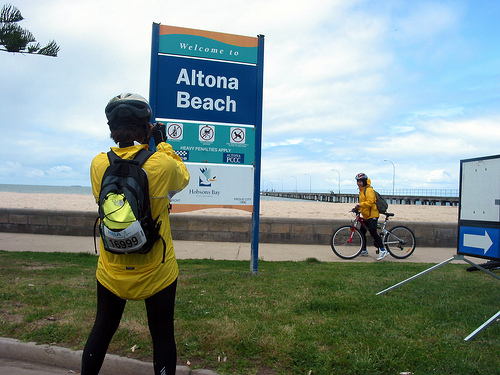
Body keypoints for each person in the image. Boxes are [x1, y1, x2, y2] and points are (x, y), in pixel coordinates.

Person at [81, 93, 190, 375]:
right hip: (156, 269)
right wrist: (162, 143)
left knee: (102, 329)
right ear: (147, 127)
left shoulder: (98, 164)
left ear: (112, 129)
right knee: (162, 335)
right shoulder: (161, 164)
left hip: (111, 267)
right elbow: (183, 177)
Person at [354, 173, 388, 261]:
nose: (359, 183)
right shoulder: (362, 191)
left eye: (361, 181)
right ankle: (364, 250)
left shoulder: (368, 190)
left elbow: (370, 202)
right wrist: (357, 208)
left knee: (373, 232)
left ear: (364, 182)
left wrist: (360, 205)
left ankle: (383, 250)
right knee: (362, 232)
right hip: (366, 215)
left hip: (372, 215)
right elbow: (364, 204)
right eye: (358, 181)